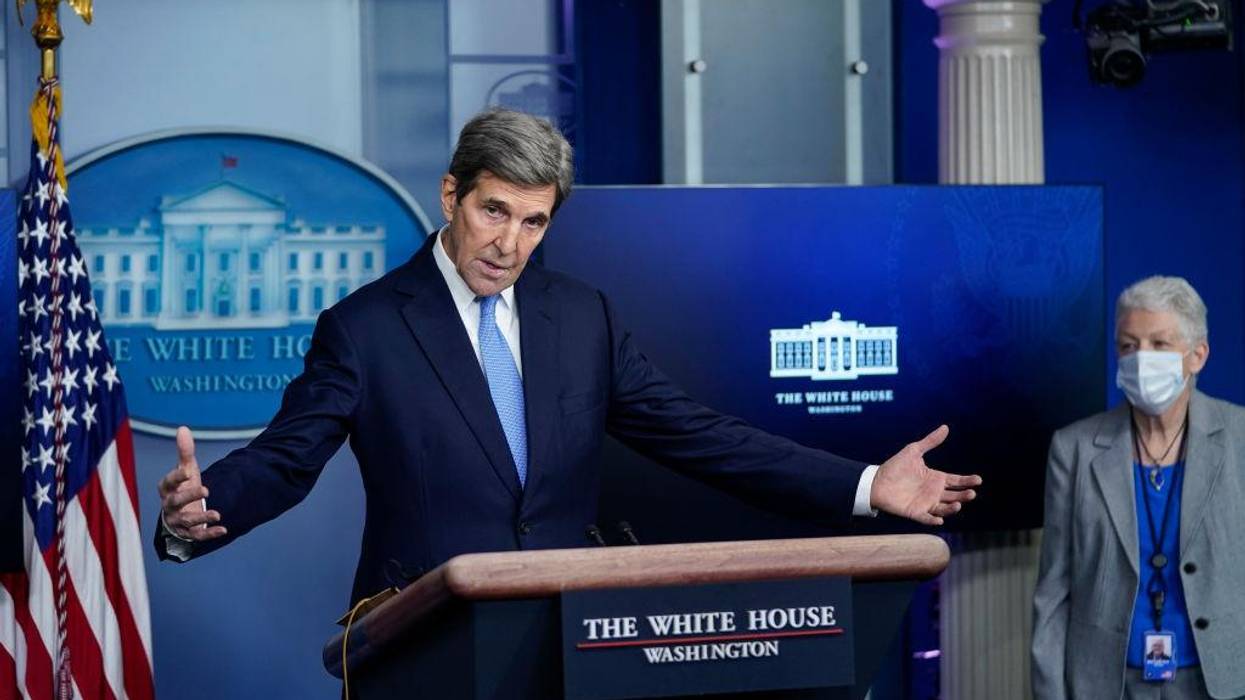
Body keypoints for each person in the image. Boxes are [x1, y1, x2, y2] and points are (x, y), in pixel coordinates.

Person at [155, 109, 981, 606]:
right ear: (452, 196)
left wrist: (869, 484)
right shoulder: (365, 326)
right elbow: (286, 458)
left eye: (533, 222)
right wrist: (203, 510)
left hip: (571, 631)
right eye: (493, 211)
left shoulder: (580, 315)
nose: (508, 244)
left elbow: (699, 435)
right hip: (423, 638)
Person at [1032, 276, 1245, 700]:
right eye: (1128, 346)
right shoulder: (1072, 449)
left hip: (1219, 679)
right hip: (1107, 682)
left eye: (1159, 344)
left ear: (1197, 355)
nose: (1140, 359)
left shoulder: (1239, 436)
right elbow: (1054, 592)